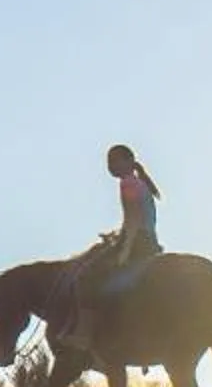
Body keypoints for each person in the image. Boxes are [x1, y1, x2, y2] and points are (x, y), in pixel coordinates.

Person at [61, 144, 161, 356]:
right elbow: (139, 220)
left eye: (114, 161)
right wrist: (116, 235)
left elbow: (133, 219)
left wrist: (124, 249)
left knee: (85, 276)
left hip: (136, 243)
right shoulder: (141, 183)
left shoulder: (127, 183)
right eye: (108, 162)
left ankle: (84, 334)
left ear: (128, 160)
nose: (110, 166)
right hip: (150, 242)